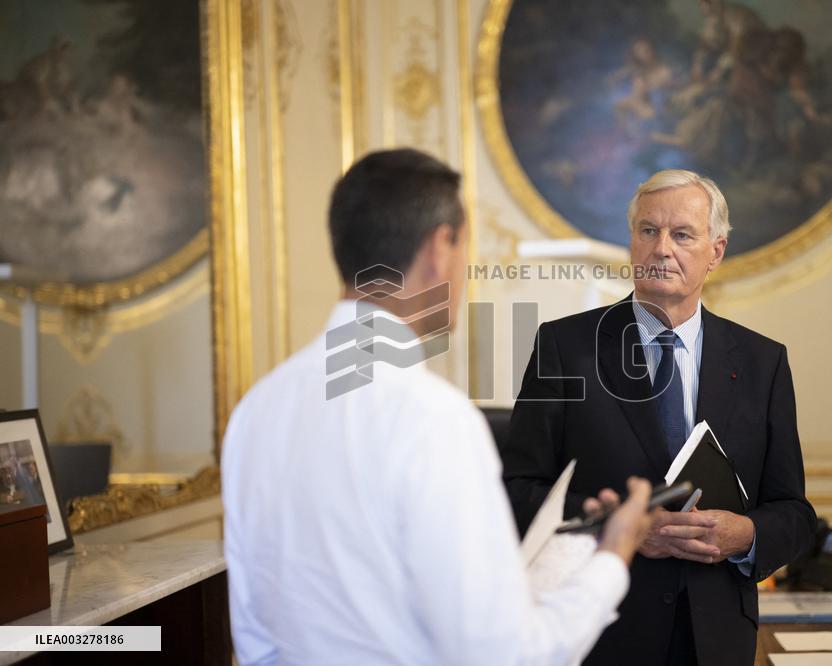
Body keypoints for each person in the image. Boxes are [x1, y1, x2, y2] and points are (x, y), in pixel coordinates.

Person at [222, 148, 654, 665]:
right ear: (439, 247)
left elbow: (252, 633)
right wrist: (612, 557)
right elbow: (504, 657)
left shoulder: (256, 410)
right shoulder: (433, 420)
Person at [501, 169, 817, 665]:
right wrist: (619, 530)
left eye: (682, 234)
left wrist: (745, 536)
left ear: (716, 251)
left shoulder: (763, 362)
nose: (661, 248)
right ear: (631, 241)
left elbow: (794, 512)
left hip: (717, 638)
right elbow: (519, 492)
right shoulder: (565, 348)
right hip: (602, 631)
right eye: (648, 230)